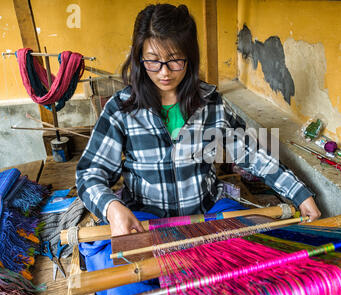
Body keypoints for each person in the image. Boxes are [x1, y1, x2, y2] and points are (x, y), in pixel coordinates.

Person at [76, 3, 321, 239]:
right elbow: (90, 173)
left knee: (249, 254)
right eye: (152, 60)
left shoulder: (212, 105)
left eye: (174, 59)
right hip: (144, 221)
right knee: (130, 277)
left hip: (205, 216)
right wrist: (111, 207)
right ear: (139, 58)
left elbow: (254, 155)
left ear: (189, 58)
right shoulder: (121, 109)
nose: (164, 71)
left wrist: (299, 194)